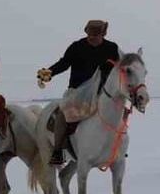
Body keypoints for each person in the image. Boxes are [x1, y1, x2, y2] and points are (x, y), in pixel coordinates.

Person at [37, 20, 120, 166]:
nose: (92, 37)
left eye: (96, 34)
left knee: (117, 115)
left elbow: (119, 69)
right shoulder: (77, 47)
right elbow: (64, 63)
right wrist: (50, 72)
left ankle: (116, 148)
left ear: (103, 34)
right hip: (77, 93)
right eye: (90, 34)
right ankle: (58, 151)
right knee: (63, 113)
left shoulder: (112, 49)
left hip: (102, 93)